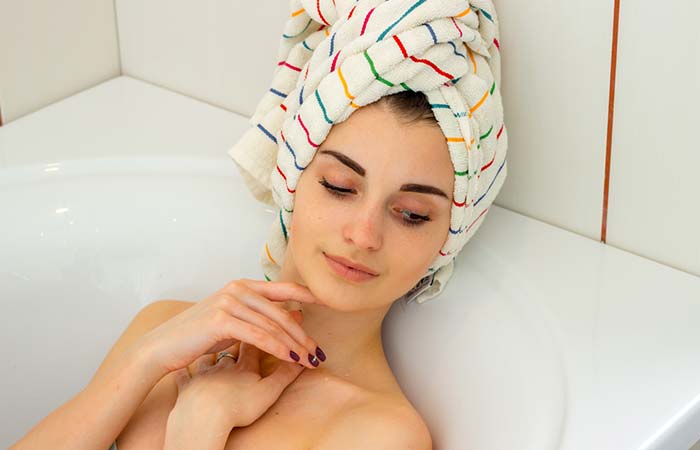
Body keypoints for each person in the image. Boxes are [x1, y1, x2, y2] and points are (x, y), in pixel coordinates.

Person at [11, 0, 506, 448]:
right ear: (292, 177)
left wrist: (196, 431)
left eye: (412, 215)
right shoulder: (166, 332)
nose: (363, 235)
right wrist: (145, 360)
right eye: (339, 186)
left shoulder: (378, 434)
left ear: (448, 238)